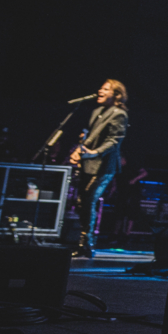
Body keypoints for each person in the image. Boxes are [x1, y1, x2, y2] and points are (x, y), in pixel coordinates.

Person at [67, 79, 129, 257]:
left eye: (106, 89)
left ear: (117, 95)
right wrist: (79, 151)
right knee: (81, 202)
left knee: (88, 200)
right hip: (88, 163)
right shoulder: (97, 112)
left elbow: (114, 140)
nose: (100, 91)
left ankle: (87, 244)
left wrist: (94, 152)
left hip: (104, 165)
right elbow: (91, 136)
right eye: (101, 88)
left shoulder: (119, 114)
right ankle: (84, 241)